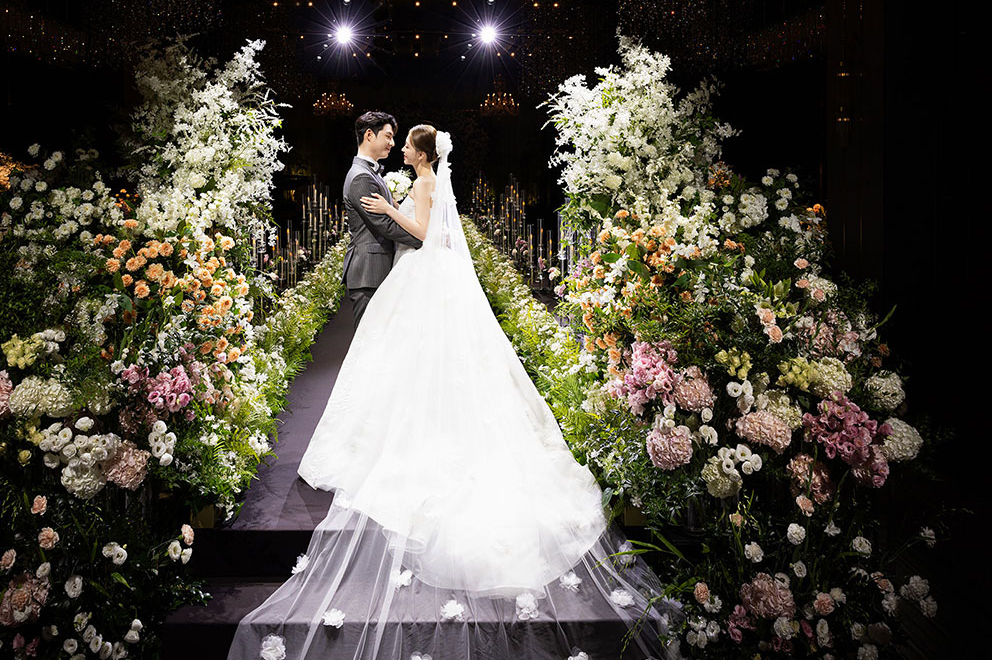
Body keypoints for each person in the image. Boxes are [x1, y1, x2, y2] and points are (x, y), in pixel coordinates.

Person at [227, 127, 680, 660]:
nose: (401, 148)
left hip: (419, 270)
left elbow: (421, 233)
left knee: (406, 356)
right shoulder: (426, 181)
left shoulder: (423, 183)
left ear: (422, 154)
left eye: (407, 144)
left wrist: (390, 210)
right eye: (396, 140)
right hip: (424, 274)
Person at [340, 111, 423, 329]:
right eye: (388, 136)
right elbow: (384, 225)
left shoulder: (371, 173)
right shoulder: (361, 177)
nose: (392, 143)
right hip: (369, 272)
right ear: (369, 135)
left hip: (377, 270)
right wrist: (425, 241)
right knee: (368, 339)